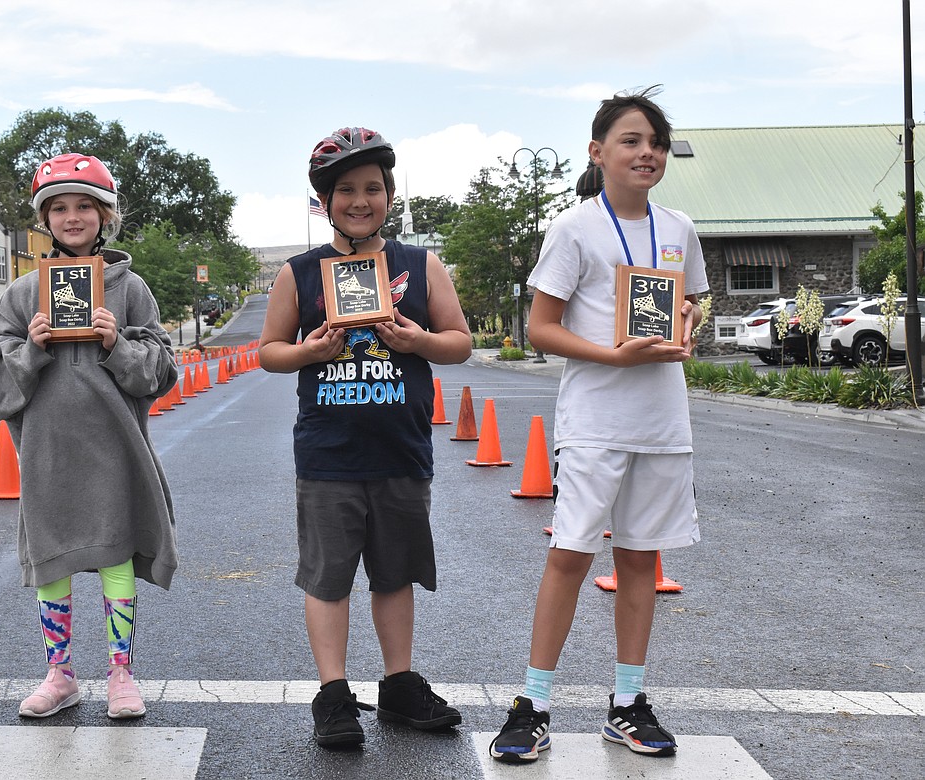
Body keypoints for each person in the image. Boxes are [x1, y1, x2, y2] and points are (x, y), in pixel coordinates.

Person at [489, 87, 709, 764]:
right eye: (631, 141)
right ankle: (534, 703)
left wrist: (691, 321)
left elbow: (692, 299)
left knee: (642, 558)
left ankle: (627, 703)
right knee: (571, 556)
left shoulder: (680, 229)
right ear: (598, 152)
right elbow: (541, 328)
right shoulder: (574, 228)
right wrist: (612, 354)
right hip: (593, 424)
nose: (646, 153)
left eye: (656, 143)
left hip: (662, 421)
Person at [259, 127, 473, 748]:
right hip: (328, 453)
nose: (360, 200)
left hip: (401, 450)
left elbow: (458, 342)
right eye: (345, 190)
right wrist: (308, 351)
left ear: (390, 195)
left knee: (394, 573)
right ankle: (333, 695)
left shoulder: (418, 264)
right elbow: (269, 352)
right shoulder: (299, 273)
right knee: (328, 577)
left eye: (373, 188)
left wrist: (418, 341)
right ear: (323, 201)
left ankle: (399, 685)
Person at [0, 152, 179, 720]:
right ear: (44, 220)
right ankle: (60, 673)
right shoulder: (22, 294)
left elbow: (162, 370)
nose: (72, 217)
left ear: (105, 215)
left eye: (84, 206)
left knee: (116, 555)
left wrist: (119, 345)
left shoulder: (130, 288)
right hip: (48, 451)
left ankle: (120, 673)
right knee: (54, 561)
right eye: (58, 208)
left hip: (115, 448)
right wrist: (30, 349)